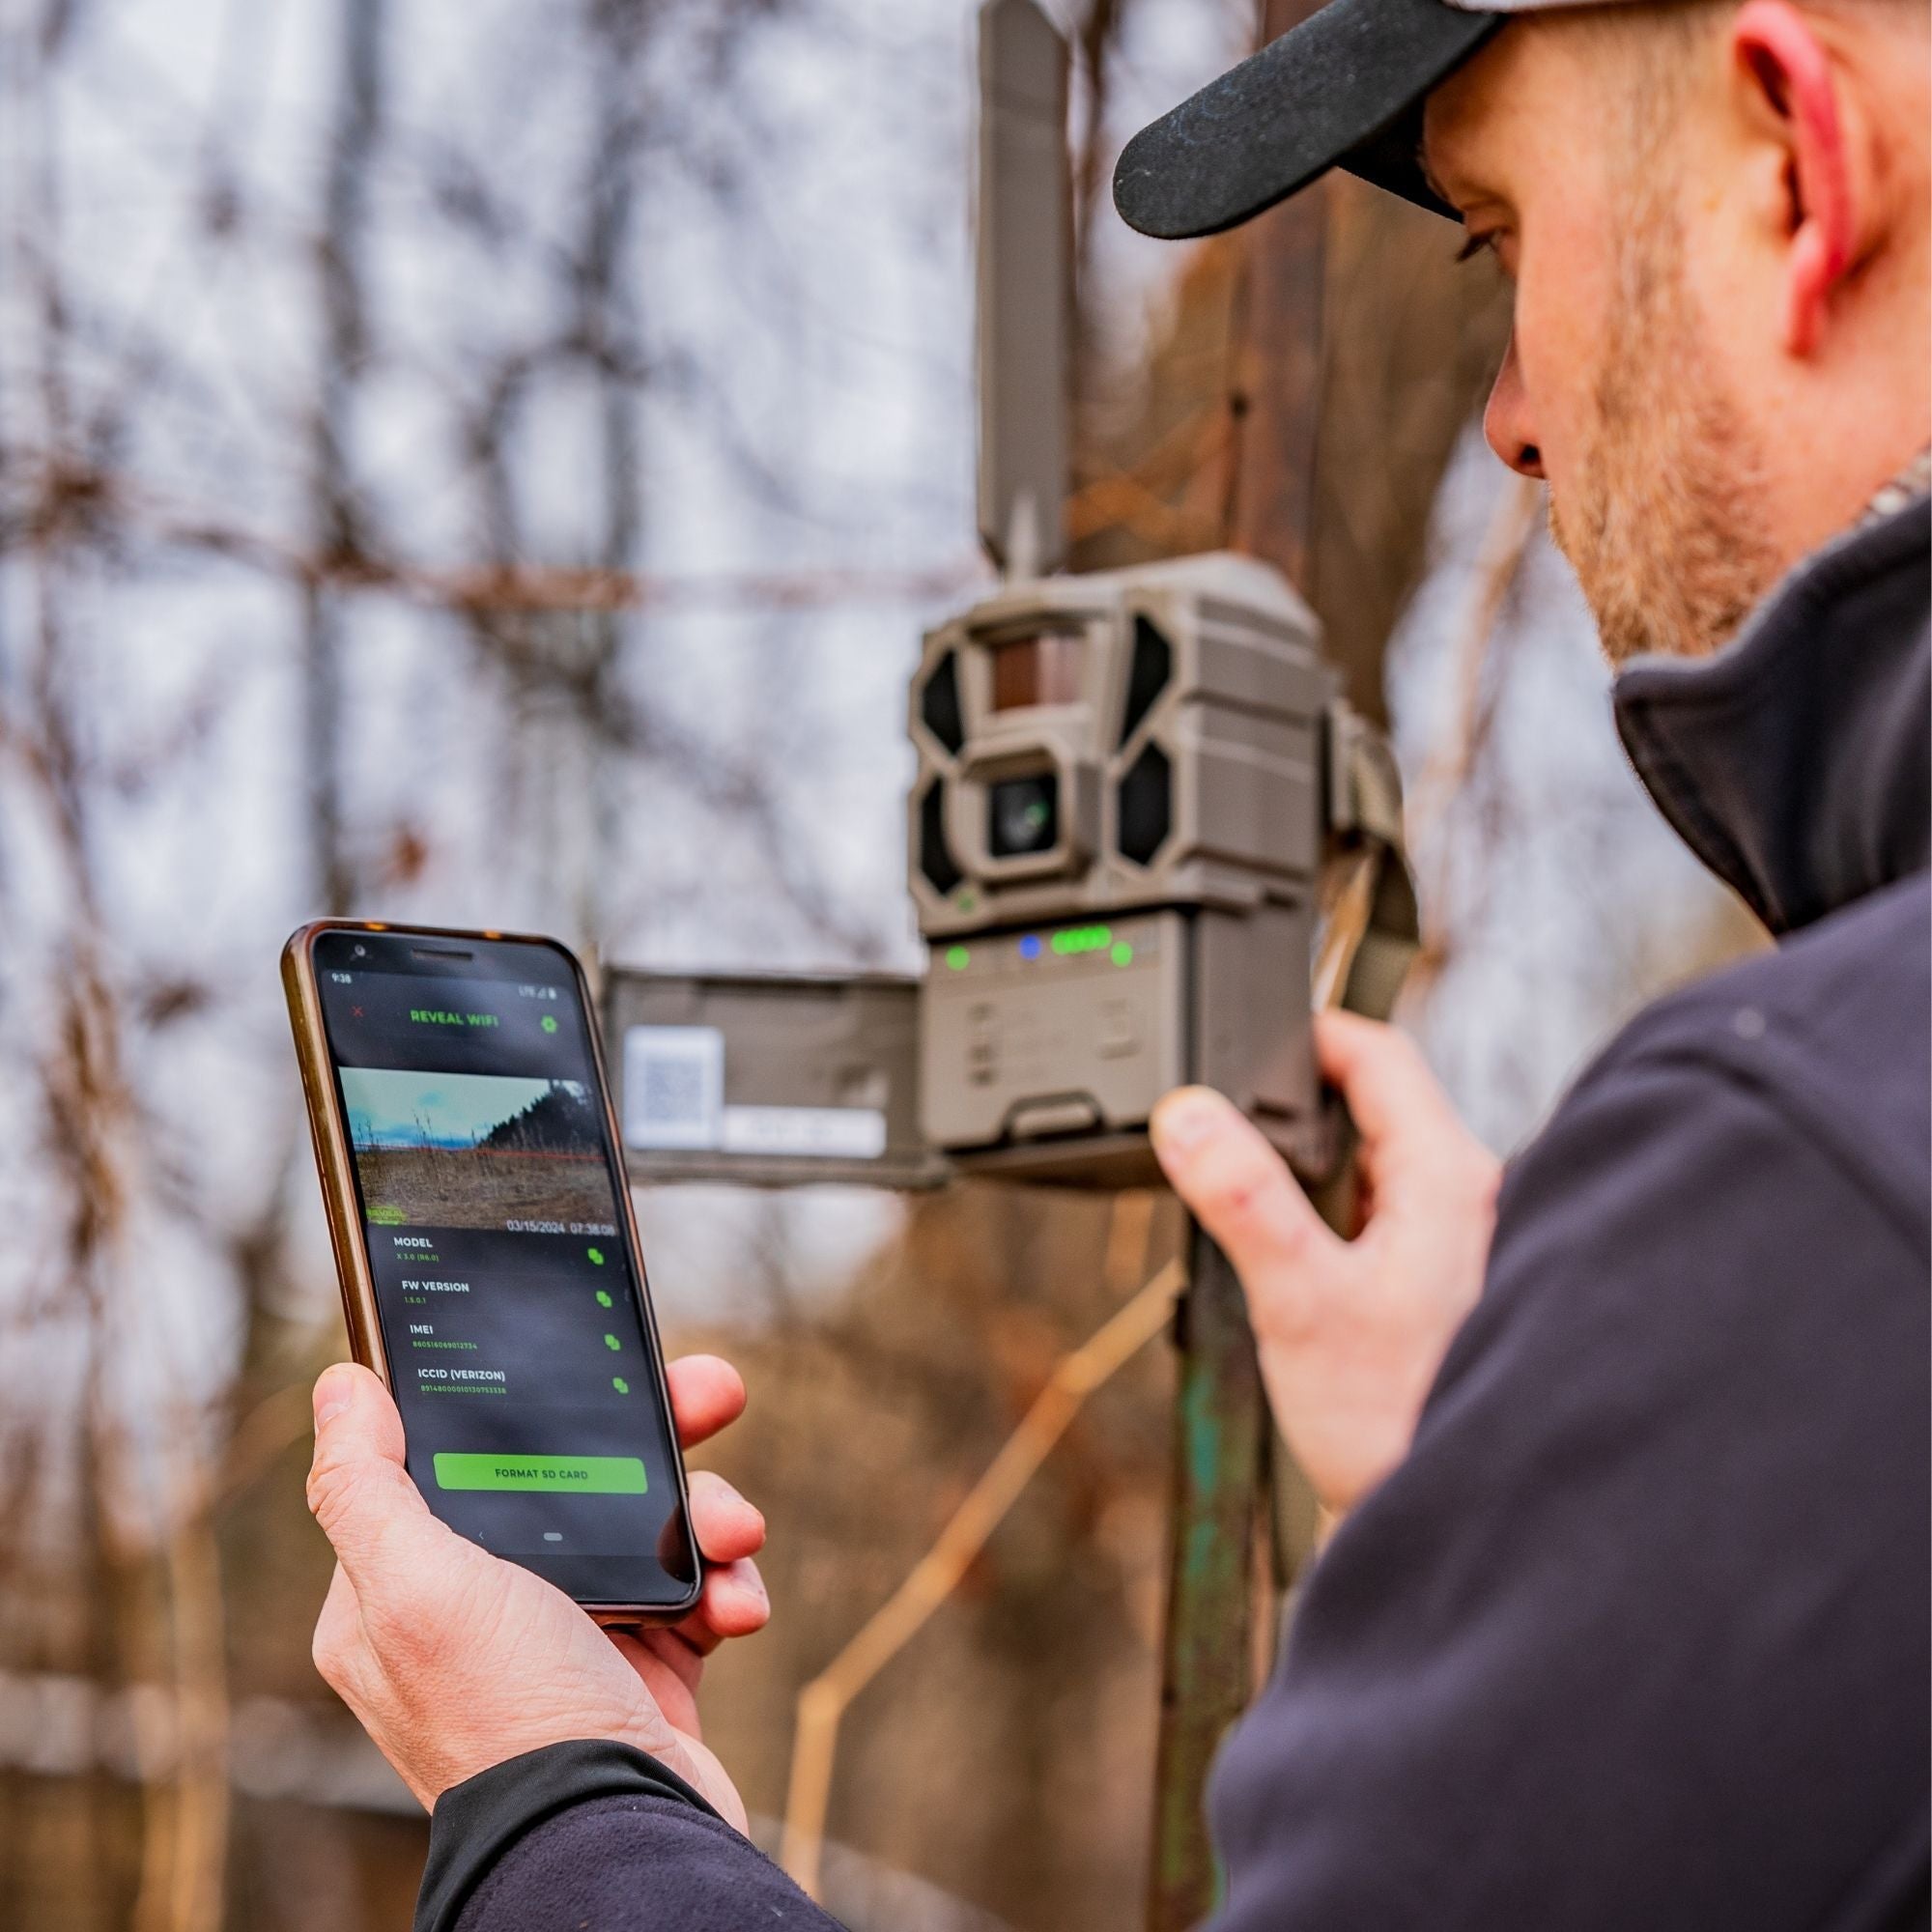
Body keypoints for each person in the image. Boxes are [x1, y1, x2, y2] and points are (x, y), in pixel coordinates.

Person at [302, 0, 1931, 1924]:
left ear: (1796, 158)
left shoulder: (1826, 1159)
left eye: (1497, 237)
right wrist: (1543, 1512)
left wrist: (550, 1798)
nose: (1508, 415)